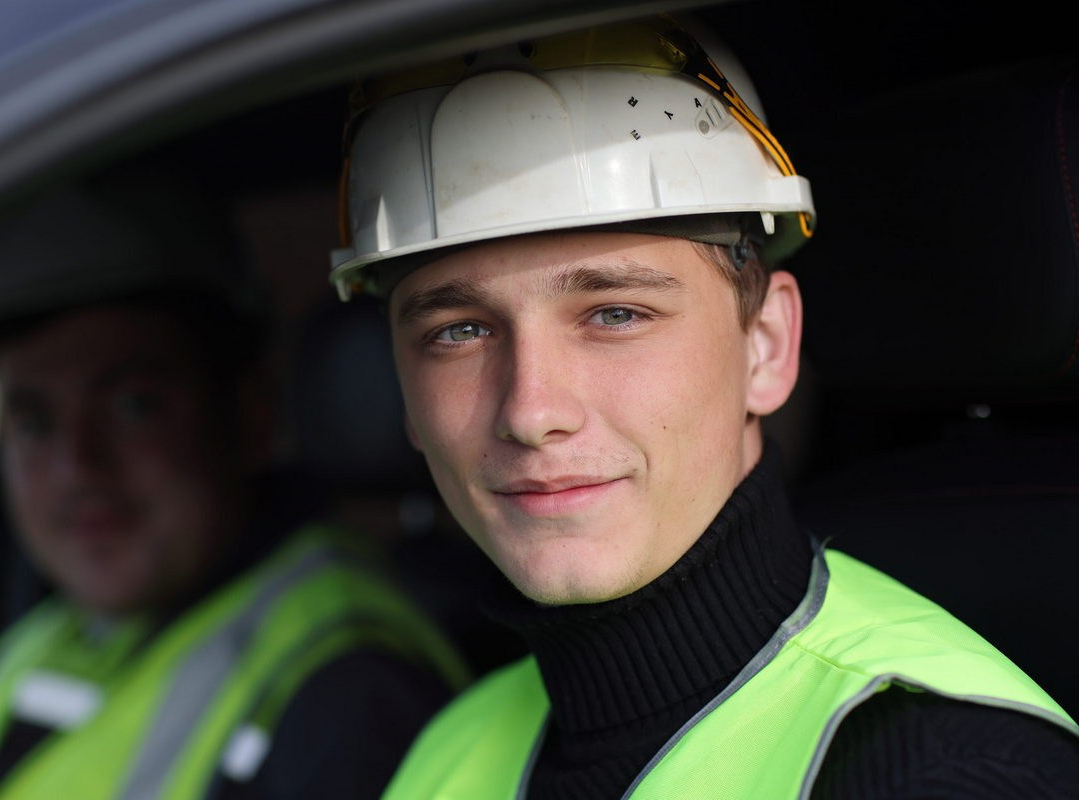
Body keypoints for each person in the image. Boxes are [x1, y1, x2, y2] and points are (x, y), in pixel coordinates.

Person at [325, 13, 1079, 799]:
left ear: (767, 345)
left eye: (616, 313)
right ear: (403, 391)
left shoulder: (952, 774)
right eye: (460, 331)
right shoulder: (449, 748)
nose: (531, 410)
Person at [0, 164, 471, 800]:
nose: (76, 466)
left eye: (132, 406)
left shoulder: (348, 688)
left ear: (251, 418)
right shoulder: (45, 642)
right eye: (34, 423)